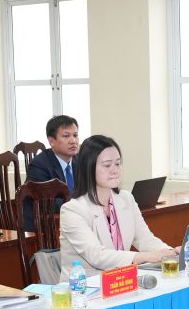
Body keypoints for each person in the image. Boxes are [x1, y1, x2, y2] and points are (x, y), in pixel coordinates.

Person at [59, 135, 177, 279]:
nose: (115, 170)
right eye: (107, 165)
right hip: (84, 287)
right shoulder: (72, 210)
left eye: (117, 163)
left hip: (121, 281)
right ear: (88, 168)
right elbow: (97, 256)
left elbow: (144, 239)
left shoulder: (126, 199)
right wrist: (147, 257)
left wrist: (170, 253)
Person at [25, 114, 80, 193]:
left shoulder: (81, 160)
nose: (73, 141)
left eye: (75, 135)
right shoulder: (39, 165)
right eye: (66, 136)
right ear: (51, 141)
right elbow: (44, 198)